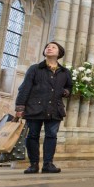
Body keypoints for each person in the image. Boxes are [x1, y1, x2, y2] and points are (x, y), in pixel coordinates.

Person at [15, 41, 72, 174]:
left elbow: (69, 87)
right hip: (35, 107)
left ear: (59, 53)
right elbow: (25, 88)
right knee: (32, 136)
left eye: (53, 47)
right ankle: (33, 164)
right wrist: (19, 108)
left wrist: (66, 92)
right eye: (47, 47)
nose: (49, 48)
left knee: (51, 136)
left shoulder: (64, 72)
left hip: (55, 109)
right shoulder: (35, 69)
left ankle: (48, 164)